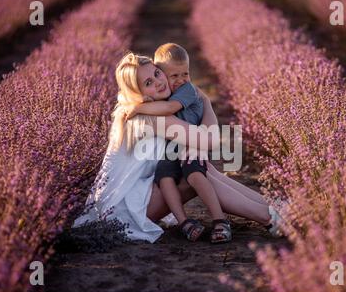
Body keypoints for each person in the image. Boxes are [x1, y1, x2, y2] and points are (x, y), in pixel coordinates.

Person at [72, 52, 282, 244]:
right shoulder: (152, 117)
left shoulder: (137, 110)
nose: (159, 82)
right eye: (148, 82)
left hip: (129, 201)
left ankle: (272, 208)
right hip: (125, 211)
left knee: (199, 165)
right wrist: (206, 101)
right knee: (193, 172)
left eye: (157, 73)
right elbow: (211, 141)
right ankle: (269, 216)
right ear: (140, 94)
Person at [124, 43, 229, 243]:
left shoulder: (188, 90)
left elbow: (170, 107)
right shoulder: (164, 93)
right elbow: (161, 106)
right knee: (164, 178)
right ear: (163, 73)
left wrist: (138, 108)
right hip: (174, 149)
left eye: (185, 74)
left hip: (191, 147)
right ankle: (184, 223)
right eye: (174, 76)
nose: (181, 80)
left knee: (197, 175)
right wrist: (146, 102)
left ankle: (220, 220)